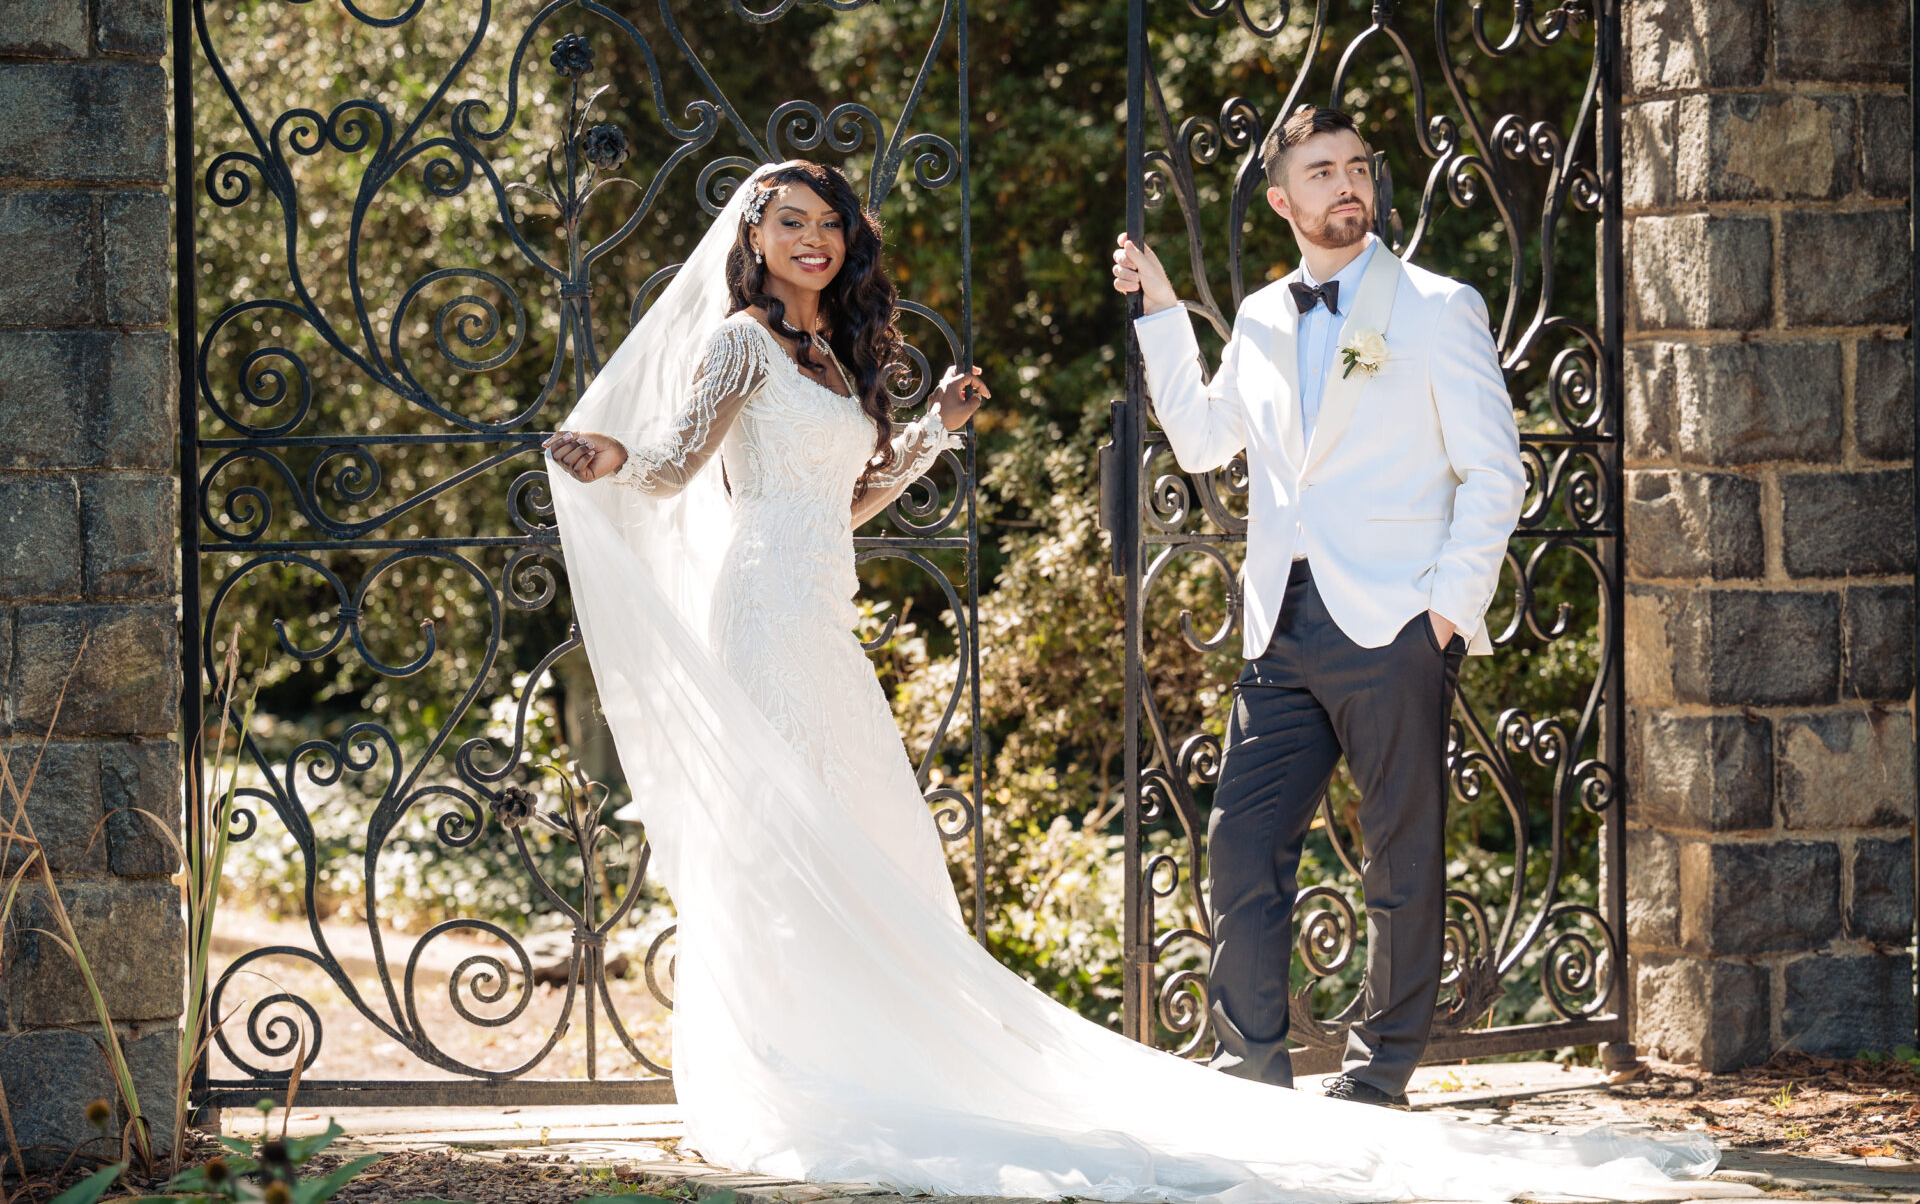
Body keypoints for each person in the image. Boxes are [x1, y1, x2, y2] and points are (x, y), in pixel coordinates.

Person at [543, 159, 1741, 1202]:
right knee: (780, 835)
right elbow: (669, 470)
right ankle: (784, 1065)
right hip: (757, 612)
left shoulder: (838, 352)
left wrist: (938, 432)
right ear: (753, 240)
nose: (814, 238)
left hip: (821, 612)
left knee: (868, 833)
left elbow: (843, 500)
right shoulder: (738, 342)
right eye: (790, 222)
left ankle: (860, 1047)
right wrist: (607, 455)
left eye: (830, 224)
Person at [1112, 102, 1522, 1111]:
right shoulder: (1257, 315)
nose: (1346, 182)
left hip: (1393, 622)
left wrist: (1446, 610)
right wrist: (1165, 312)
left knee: (1398, 853)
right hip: (1280, 624)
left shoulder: (1435, 304)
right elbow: (1208, 441)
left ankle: (1377, 1074)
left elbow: (1495, 471)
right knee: (1242, 842)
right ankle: (1248, 1068)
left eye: (1356, 166)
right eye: (1322, 169)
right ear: (1283, 198)